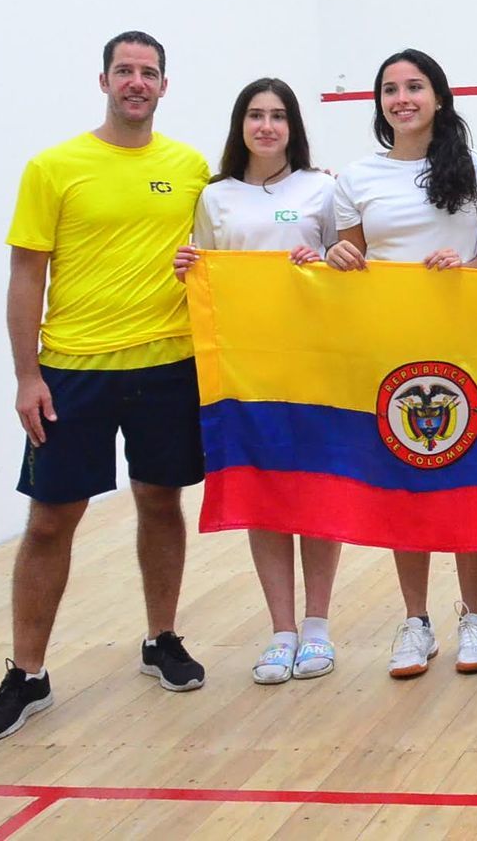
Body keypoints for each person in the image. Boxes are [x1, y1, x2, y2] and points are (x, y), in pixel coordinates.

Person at [0, 31, 212, 743]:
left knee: (161, 502)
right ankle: (28, 673)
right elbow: (26, 274)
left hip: (168, 365)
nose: (137, 82)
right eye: (124, 71)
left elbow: (242, 225)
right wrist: (26, 375)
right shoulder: (54, 167)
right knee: (51, 519)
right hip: (73, 371)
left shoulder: (191, 168)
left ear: (164, 85)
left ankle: (162, 639)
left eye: (149, 72)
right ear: (103, 81)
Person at [327, 49, 477, 679]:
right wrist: (338, 256)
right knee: (404, 480)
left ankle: (474, 615)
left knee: (467, 480)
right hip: (391, 351)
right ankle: (416, 621)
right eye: (390, 89)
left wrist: (469, 266)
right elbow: (346, 260)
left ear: (438, 97)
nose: (401, 99)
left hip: (465, 346)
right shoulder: (356, 178)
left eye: (414, 87)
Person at [172, 78, 341, 685]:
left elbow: (349, 265)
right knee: (265, 495)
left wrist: (324, 263)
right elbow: (208, 274)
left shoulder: (323, 188)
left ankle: (317, 626)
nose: (266, 126)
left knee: (316, 492)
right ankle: (282, 631)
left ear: (293, 126)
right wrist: (187, 269)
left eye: (277, 116)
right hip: (246, 371)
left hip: (315, 365)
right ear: (240, 125)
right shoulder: (214, 197)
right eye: (255, 115)